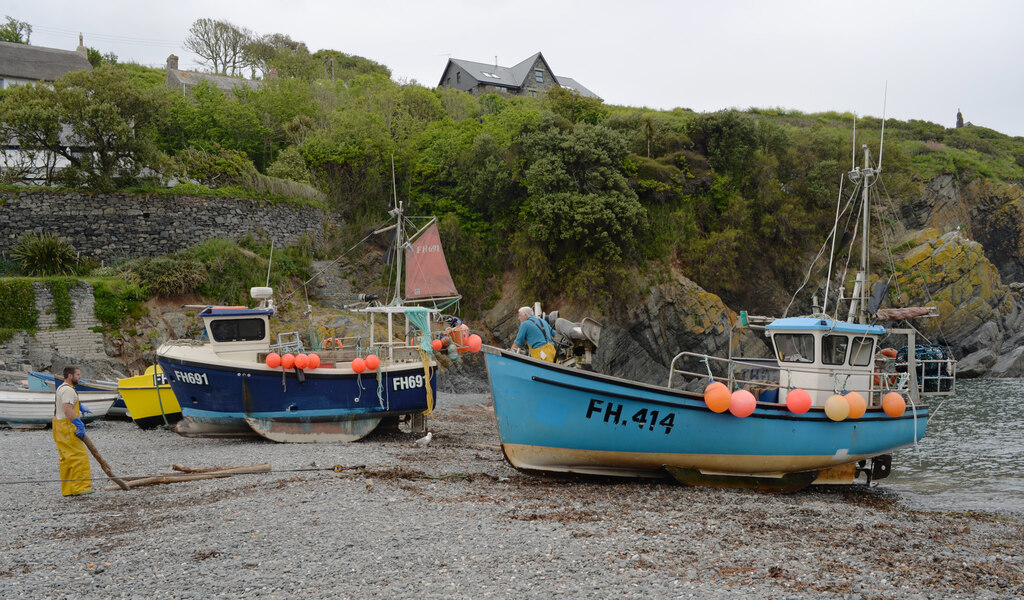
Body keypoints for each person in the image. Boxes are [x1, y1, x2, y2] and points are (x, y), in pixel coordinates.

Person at [52, 365, 93, 497]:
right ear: (70, 376)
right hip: (67, 427)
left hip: (58, 426)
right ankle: (80, 487)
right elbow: (67, 409)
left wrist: (80, 406)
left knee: (66, 458)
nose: (80, 377)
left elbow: (66, 403)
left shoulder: (62, 388)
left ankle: (68, 489)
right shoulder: (68, 391)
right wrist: (79, 424)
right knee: (78, 456)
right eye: (78, 375)